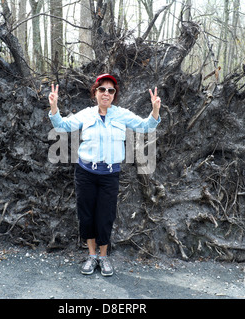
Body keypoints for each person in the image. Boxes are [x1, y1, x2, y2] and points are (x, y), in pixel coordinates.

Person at [48, 74, 161, 276]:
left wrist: (154, 110)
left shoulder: (121, 115)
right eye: (102, 89)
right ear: (95, 92)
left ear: (114, 95)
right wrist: (54, 107)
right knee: (87, 216)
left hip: (109, 175)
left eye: (111, 90)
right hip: (85, 173)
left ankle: (103, 256)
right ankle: (91, 256)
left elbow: (145, 127)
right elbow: (62, 127)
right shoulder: (86, 114)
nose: (106, 93)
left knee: (105, 217)